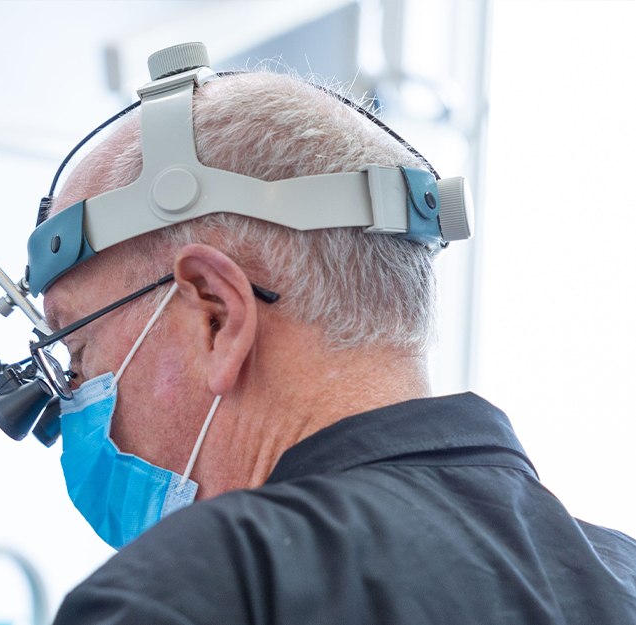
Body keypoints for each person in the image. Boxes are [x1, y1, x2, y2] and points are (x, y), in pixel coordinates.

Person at [34, 71, 636, 622]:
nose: (71, 405)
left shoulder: (189, 594)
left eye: (81, 354)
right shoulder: (622, 575)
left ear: (215, 315)